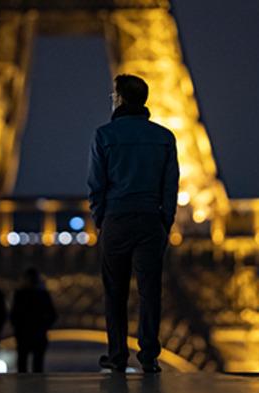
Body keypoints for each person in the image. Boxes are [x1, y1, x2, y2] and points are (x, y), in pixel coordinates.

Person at [87, 74, 179, 374]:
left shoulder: (104, 135)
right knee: (150, 290)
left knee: (114, 291)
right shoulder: (164, 137)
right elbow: (170, 186)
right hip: (151, 218)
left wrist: (101, 217)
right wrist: (165, 220)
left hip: (116, 218)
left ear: (120, 99)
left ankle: (116, 356)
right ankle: (149, 356)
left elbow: (96, 183)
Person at [10, 268, 57, 373]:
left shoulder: (20, 295)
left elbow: (14, 315)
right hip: (38, 333)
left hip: (24, 334)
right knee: (37, 366)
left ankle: (22, 387)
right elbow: (52, 315)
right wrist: (43, 327)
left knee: (22, 366)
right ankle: (37, 387)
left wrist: (18, 328)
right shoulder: (43, 295)